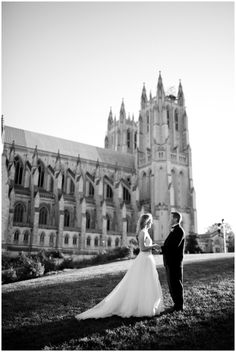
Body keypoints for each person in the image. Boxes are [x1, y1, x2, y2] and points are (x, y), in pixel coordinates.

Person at [75, 213, 164, 320]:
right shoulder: (143, 232)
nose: (152, 223)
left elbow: (146, 247)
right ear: (147, 222)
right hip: (144, 259)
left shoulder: (145, 232)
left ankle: (147, 305)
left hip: (148, 259)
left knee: (147, 282)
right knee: (142, 281)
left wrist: (153, 248)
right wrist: (153, 246)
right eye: (151, 222)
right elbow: (142, 248)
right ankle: (141, 307)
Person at [161, 211, 185, 312]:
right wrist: (161, 248)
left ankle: (179, 305)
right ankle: (176, 304)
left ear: (175, 219)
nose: (169, 219)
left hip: (174, 262)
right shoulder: (174, 230)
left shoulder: (179, 231)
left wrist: (161, 249)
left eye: (170, 218)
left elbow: (173, 247)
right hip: (170, 262)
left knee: (176, 284)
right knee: (172, 284)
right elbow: (168, 245)